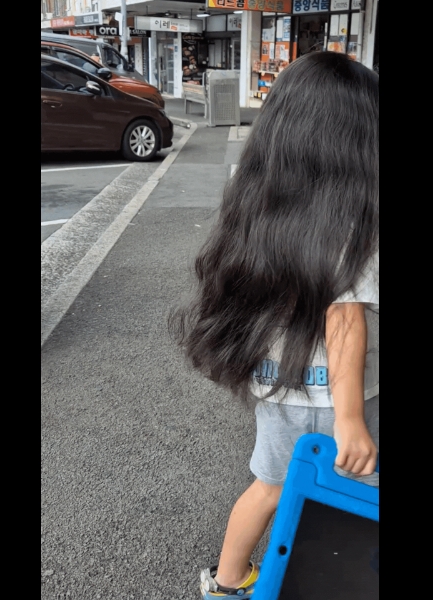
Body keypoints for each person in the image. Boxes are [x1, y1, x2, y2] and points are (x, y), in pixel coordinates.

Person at [169, 51, 379, 599]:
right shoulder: (352, 223)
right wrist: (350, 419)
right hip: (336, 397)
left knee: (269, 487)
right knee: (354, 491)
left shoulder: (260, 199)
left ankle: (227, 582)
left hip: (278, 383)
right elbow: (345, 320)